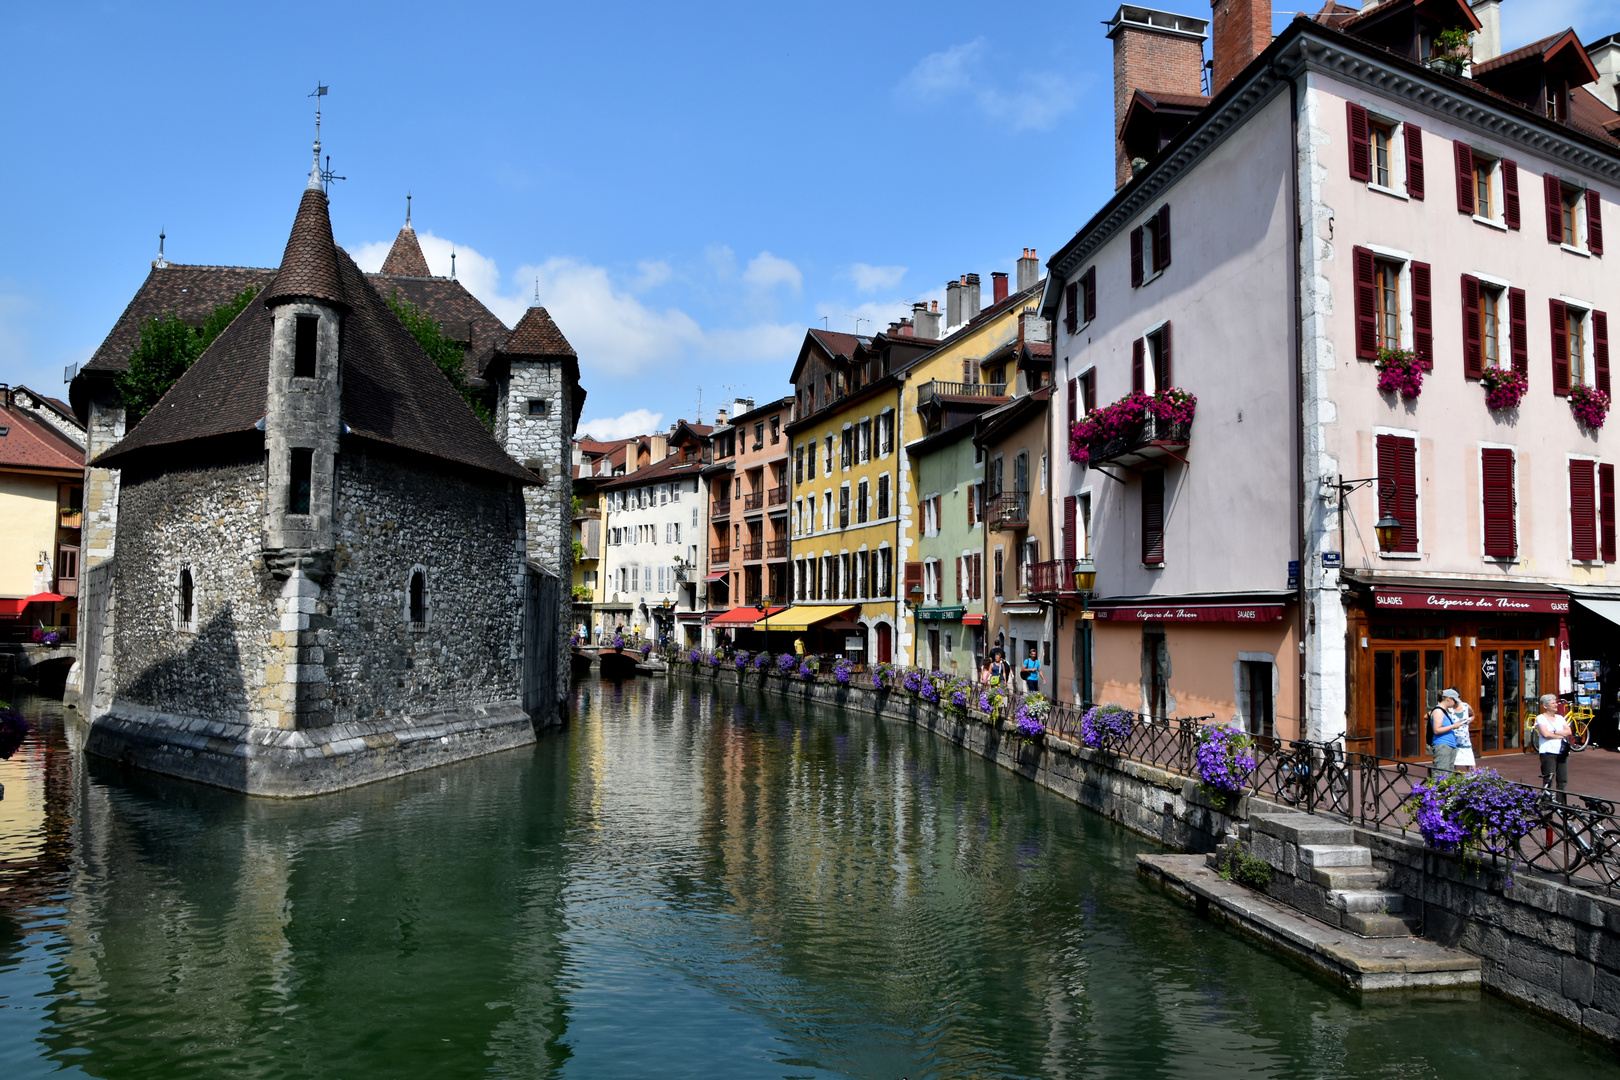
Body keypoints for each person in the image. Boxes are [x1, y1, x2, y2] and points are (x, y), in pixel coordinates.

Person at [1536, 693, 1573, 802]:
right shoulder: (1541, 718)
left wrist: (1555, 732)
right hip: (1548, 752)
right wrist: (1561, 734)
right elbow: (1545, 734)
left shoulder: (1560, 718)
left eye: (1556, 702)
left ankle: (1562, 807)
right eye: (1553, 703)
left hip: (1562, 752)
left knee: (1563, 781)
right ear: (1545, 706)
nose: (1556, 705)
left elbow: (1569, 731)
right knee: (1548, 780)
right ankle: (1547, 808)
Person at [1429, 689, 1469, 773]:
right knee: (1441, 773)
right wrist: (1453, 726)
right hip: (1442, 745)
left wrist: (1458, 723)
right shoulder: (1438, 711)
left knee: (1449, 774)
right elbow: (1436, 730)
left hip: (1450, 745)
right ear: (1448, 699)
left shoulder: (1446, 711)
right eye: (1454, 700)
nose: (1455, 703)